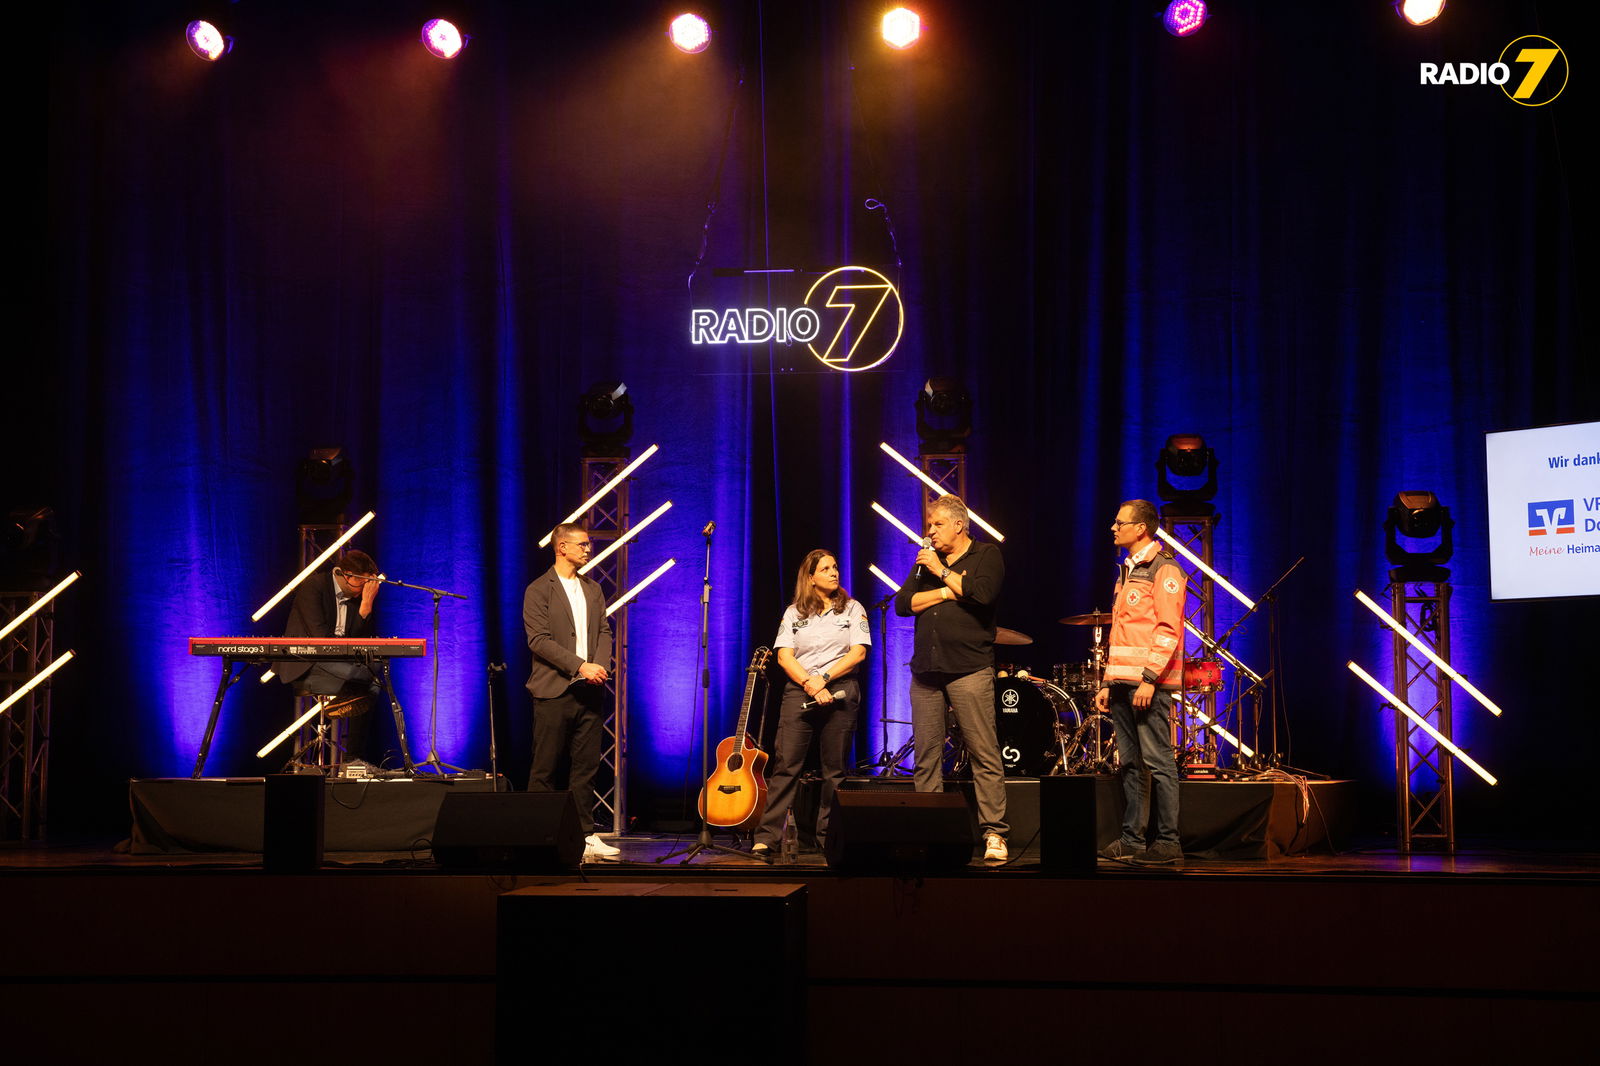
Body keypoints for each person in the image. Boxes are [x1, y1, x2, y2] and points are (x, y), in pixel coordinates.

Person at [894, 494, 1009, 864]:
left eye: (936, 524)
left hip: (969, 668)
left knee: (984, 752)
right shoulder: (927, 563)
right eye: (929, 525)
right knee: (927, 755)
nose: (929, 532)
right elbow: (903, 604)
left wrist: (943, 575)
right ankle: (930, 828)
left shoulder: (985, 555)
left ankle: (995, 833)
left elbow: (981, 593)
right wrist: (947, 589)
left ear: (959, 524)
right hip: (926, 671)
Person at [751, 550, 870, 863]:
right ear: (811, 577)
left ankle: (827, 838)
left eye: (835, 567)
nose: (834, 573)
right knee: (785, 765)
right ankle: (767, 839)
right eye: (826, 569)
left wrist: (825, 679)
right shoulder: (794, 612)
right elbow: (784, 656)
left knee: (835, 770)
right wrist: (810, 683)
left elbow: (858, 653)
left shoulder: (853, 608)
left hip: (840, 687)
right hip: (801, 688)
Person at [1094, 499, 1186, 867]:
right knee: (1131, 763)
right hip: (1121, 683)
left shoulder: (1164, 570)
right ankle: (1133, 839)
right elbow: (1122, 633)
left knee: (1158, 762)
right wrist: (1106, 680)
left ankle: (1168, 842)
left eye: (1120, 522)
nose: (1114, 528)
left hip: (1149, 684)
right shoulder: (1129, 570)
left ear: (1141, 528)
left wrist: (1150, 679)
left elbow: (1168, 629)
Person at [524, 523, 618, 862]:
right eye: (581, 544)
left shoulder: (592, 589)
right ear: (561, 547)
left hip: (589, 690)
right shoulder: (538, 589)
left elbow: (604, 629)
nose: (588, 549)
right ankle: (537, 836)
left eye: (588, 544)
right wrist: (580, 665)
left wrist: (599, 665)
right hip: (553, 690)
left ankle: (585, 835)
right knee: (545, 768)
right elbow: (539, 640)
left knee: (586, 768)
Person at [277, 549, 381, 763]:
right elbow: (322, 640)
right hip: (308, 661)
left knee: (376, 674)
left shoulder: (355, 597)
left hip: (337, 662)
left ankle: (354, 761)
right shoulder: (314, 587)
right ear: (347, 575)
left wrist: (365, 606)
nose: (365, 591)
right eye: (363, 584)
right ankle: (353, 757)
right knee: (364, 678)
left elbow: (355, 642)